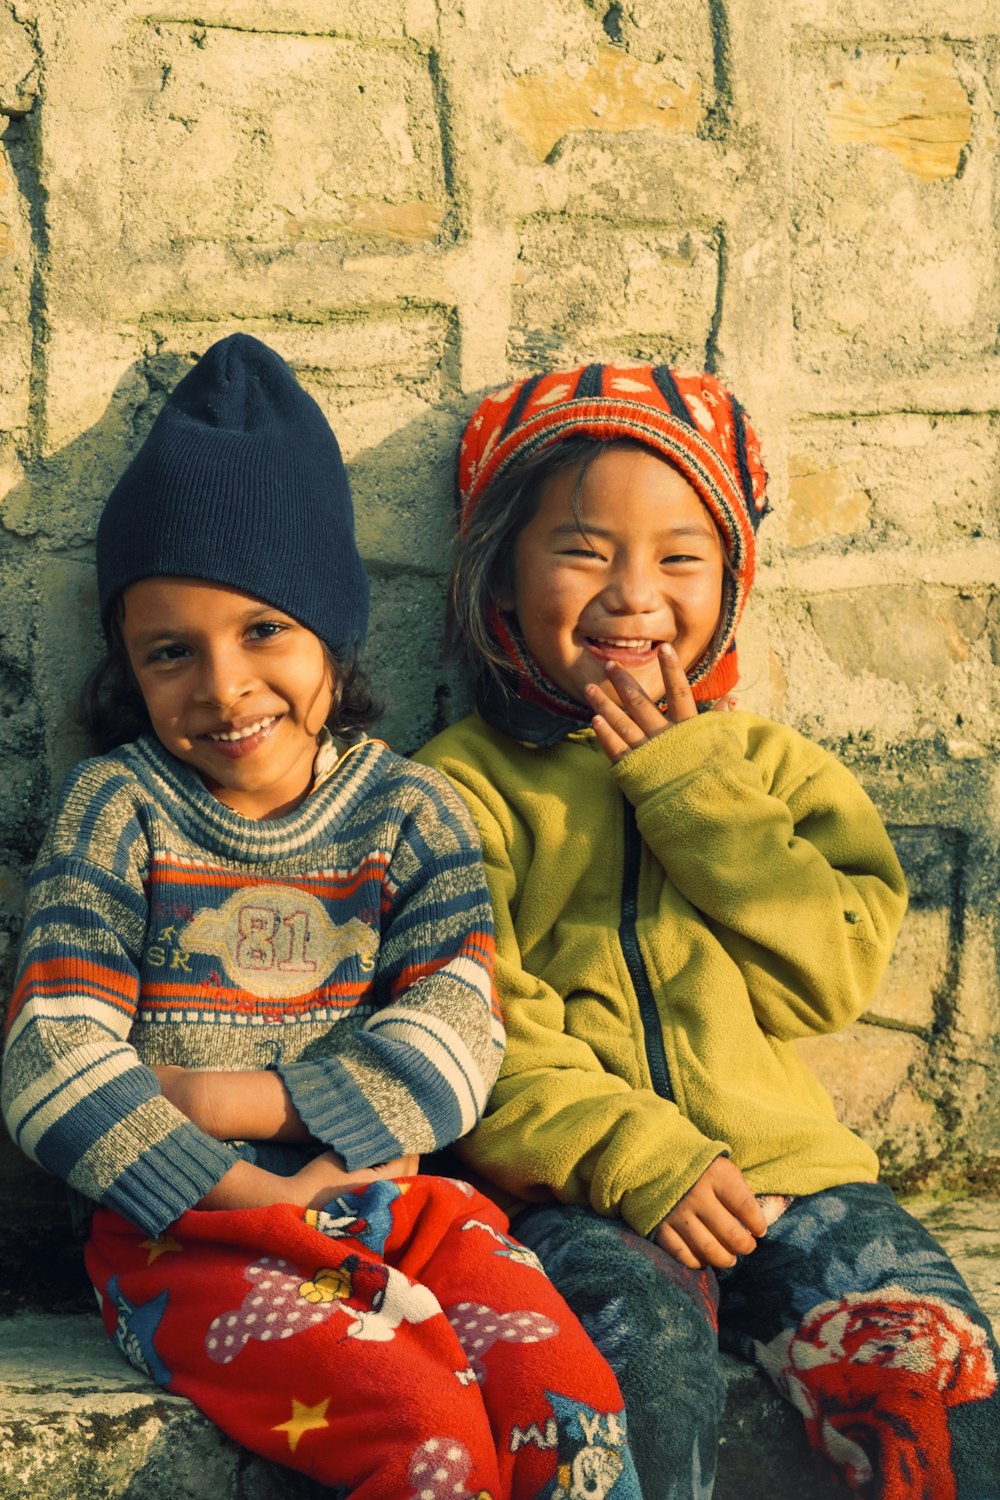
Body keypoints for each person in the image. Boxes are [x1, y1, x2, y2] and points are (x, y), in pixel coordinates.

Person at [1, 336, 641, 1500]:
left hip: (401, 1207)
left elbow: (455, 1039)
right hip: (184, 1234)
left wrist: (241, 1098)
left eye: (264, 631)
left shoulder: (408, 814)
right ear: (128, 671)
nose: (224, 686)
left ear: (333, 640)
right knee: (424, 1428)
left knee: (572, 1403)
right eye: (169, 652)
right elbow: (52, 1058)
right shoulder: (120, 812)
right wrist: (244, 1183)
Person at [417, 361, 1000, 1498]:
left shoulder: (769, 773)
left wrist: (687, 788)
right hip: (581, 1195)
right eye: (583, 550)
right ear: (499, 574)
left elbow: (822, 977)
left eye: (680, 558)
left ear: (728, 586)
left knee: (935, 1377)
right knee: (629, 1376)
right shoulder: (456, 793)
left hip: (800, 1181)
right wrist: (645, 1161)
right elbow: (480, 1024)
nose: (634, 595)